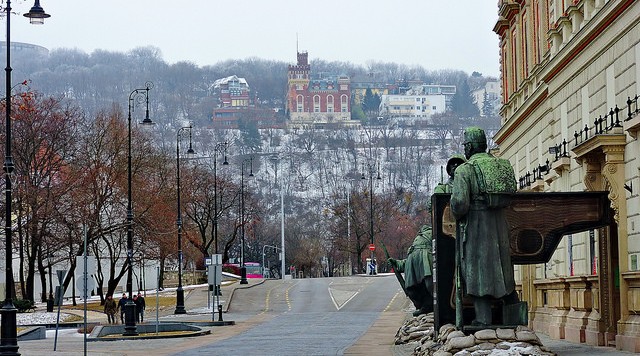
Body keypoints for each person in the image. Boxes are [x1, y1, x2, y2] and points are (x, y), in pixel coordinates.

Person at [450, 126, 518, 326]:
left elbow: (460, 204)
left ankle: (483, 318)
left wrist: (456, 210)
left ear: (469, 147)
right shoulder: (499, 165)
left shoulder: (465, 170)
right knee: (501, 267)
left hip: (477, 226)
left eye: (465, 146)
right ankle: (512, 317)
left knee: (477, 270)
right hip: (499, 224)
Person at [388, 225, 434, 316]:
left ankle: (430, 306)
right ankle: (426, 307)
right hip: (415, 261)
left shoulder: (431, 234)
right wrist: (397, 263)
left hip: (425, 260)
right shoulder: (418, 240)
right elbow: (408, 261)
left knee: (429, 285)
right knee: (411, 288)